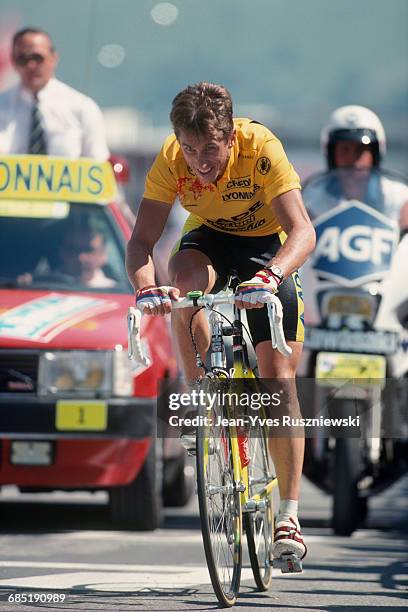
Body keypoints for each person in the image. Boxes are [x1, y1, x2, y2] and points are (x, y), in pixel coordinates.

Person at [126, 81, 316, 563]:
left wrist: (271, 277)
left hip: (267, 249)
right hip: (208, 238)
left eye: (209, 148)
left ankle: (288, 516)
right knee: (184, 288)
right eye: (190, 150)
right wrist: (147, 288)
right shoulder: (172, 158)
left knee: (278, 379)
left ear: (230, 137)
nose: (200, 162)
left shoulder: (260, 147)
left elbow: (302, 230)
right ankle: (201, 398)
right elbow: (141, 243)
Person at [0, 27, 109, 159]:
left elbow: (98, 165)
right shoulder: (3, 106)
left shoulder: (82, 107)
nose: (31, 65)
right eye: (23, 59)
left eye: (37, 58)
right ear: (13, 62)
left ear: (53, 58)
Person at [319, 104, 408, 228]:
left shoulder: (397, 195)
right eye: (345, 149)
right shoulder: (314, 198)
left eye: (361, 150)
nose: (352, 159)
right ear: (331, 154)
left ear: (376, 153)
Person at [18, 226, 116, 289]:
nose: (81, 258)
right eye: (73, 250)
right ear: (62, 252)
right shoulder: (37, 285)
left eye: (89, 250)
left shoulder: (115, 292)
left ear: (103, 255)